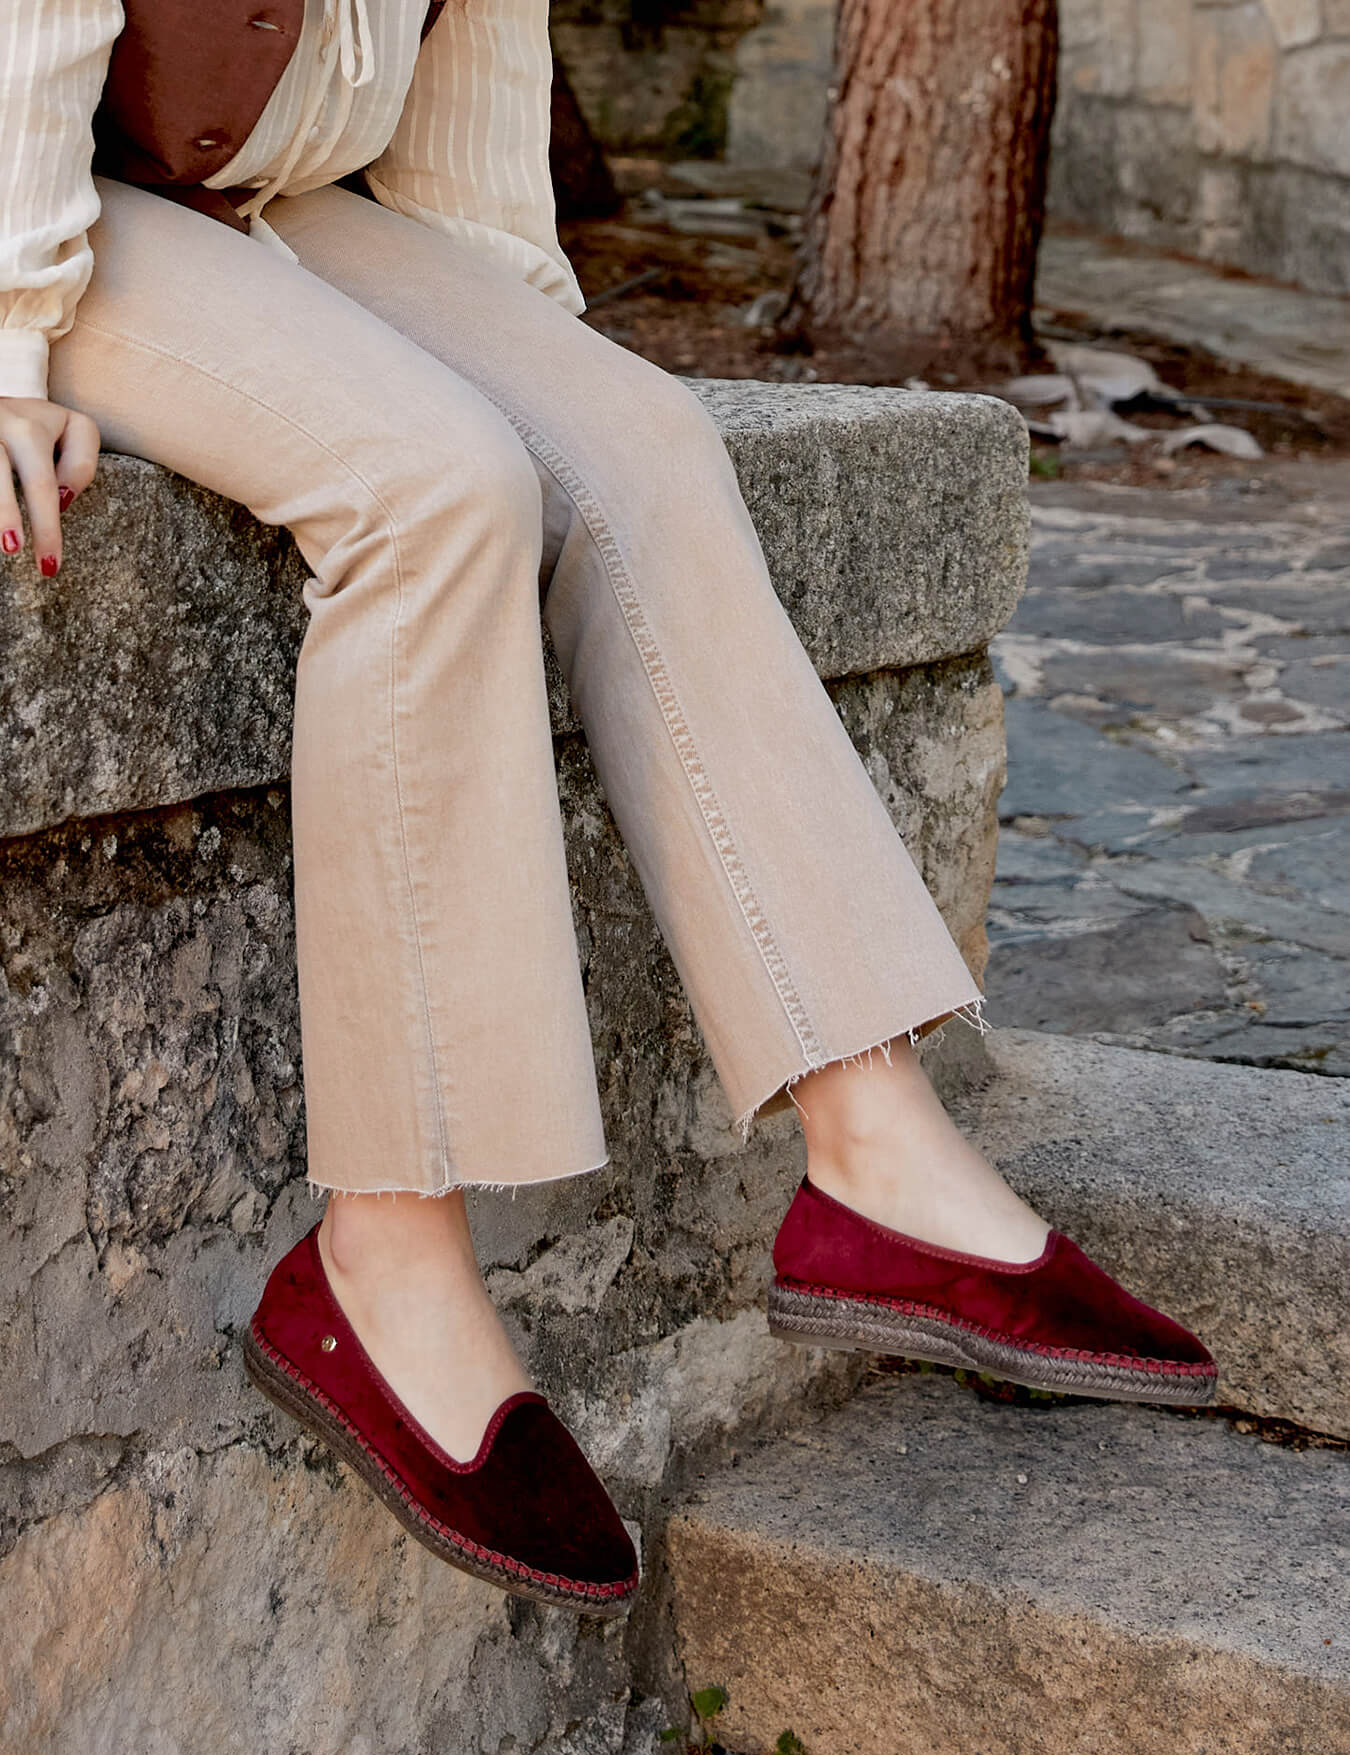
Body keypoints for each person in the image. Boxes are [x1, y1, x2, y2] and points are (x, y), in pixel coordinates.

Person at [0, 0, 1216, 1618]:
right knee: (432, 489)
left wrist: (531, 361)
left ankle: (874, 1148)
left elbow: (472, 85)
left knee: (639, 450)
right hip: (31, 175)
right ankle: (383, 1260)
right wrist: (10, 332)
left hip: (260, 202)